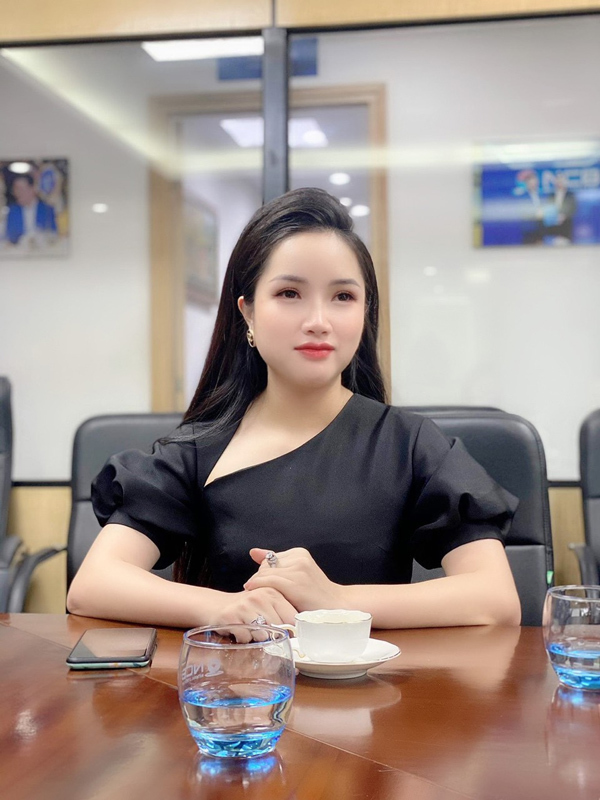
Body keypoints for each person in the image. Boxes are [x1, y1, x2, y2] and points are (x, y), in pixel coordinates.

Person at [67, 188, 521, 630]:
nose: (318, 321)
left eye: (343, 297)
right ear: (247, 312)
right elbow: (93, 585)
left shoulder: (411, 444)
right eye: (289, 293)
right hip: (240, 679)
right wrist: (223, 608)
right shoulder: (197, 451)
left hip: (373, 681)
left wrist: (337, 601)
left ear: (365, 313)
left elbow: (496, 599)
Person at [5, 173, 57, 247]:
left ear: (32, 189)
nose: (17, 193)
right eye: (15, 189)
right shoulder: (12, 211)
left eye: (21, 189)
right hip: (20, 250)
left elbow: (53, 233)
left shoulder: (47, 209)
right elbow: (10, 236)